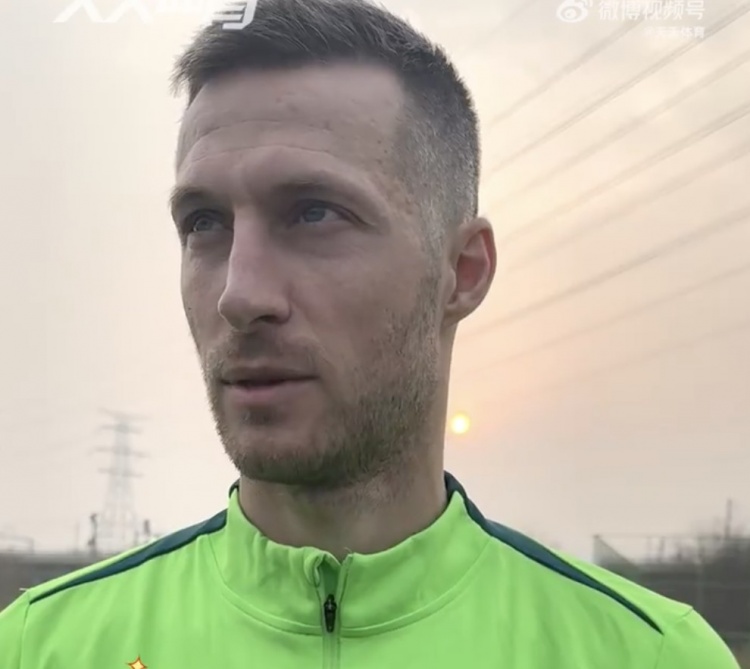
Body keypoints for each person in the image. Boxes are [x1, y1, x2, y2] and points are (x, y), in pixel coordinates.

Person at [0, 0, 740, 667]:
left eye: (313, 212)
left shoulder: (649, 654)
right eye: (204, 223)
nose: (239, 294)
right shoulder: (42, 646)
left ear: (463, 271)